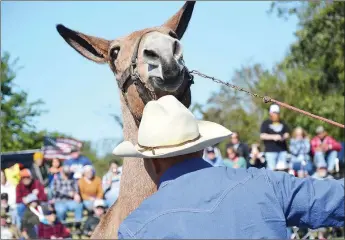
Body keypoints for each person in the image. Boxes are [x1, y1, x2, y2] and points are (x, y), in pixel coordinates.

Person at [110, 95, 343, 239]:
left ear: (151, 161)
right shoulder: (265, 183)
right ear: (201, 147)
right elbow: (335, 198)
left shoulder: (136, 228)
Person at [260, 104, 290, 170]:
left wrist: (283, 137)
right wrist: (274, 137)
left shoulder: (282, 122)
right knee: (271, 171)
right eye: (274, 113)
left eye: (277, 113)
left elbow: (287, 134)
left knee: (282, 170)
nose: (276, 114)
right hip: (270, 151)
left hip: (282, 150)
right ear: (270, 113)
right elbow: (262, 136)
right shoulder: (266, 123)